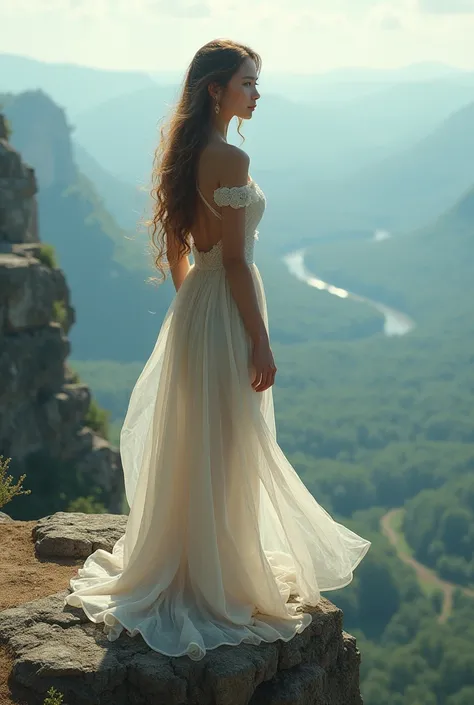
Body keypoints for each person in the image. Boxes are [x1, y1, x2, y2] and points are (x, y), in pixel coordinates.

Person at [64, 38, 371, 661]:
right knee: (231, 439)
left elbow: (184, 249)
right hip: (226, 310)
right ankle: (219, 574)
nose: (258, 93)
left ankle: (202, 560)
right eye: (248, 83)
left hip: (198, 310)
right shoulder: (230, 157)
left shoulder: (187, 152)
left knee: (203, 437)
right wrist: (258, 339)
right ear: (216, 88)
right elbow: (233, 260)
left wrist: (190, 307)